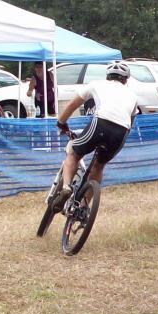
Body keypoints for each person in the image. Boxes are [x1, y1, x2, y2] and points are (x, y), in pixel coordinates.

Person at [52, 61, 140, 206]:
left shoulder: (96, 84)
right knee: (99, 166)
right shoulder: (132, 95)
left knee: (74, 153)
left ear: (107, 76)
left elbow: (72, 105)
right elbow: (131, 120)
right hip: (121, 131)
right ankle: (84, 206)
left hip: (101, 122)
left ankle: (66, 188)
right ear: (125, 80)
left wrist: (61, 123)